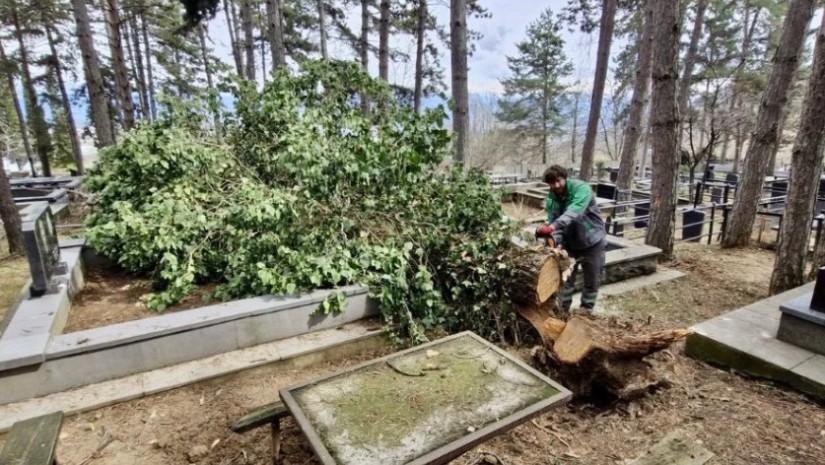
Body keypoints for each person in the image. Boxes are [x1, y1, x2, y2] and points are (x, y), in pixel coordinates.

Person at [535, 165, 607, 313]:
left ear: (565, 177)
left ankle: (585, 312)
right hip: (570, 244)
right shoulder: (552, 199)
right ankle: (562, 312)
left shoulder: (582, 189)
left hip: (593, 240)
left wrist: (552, 227)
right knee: (565, 280)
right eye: (551, 183)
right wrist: (557, 241)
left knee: (592, 280)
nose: (556, 185)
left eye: (558, 181)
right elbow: (554, 220)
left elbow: (574, 211)